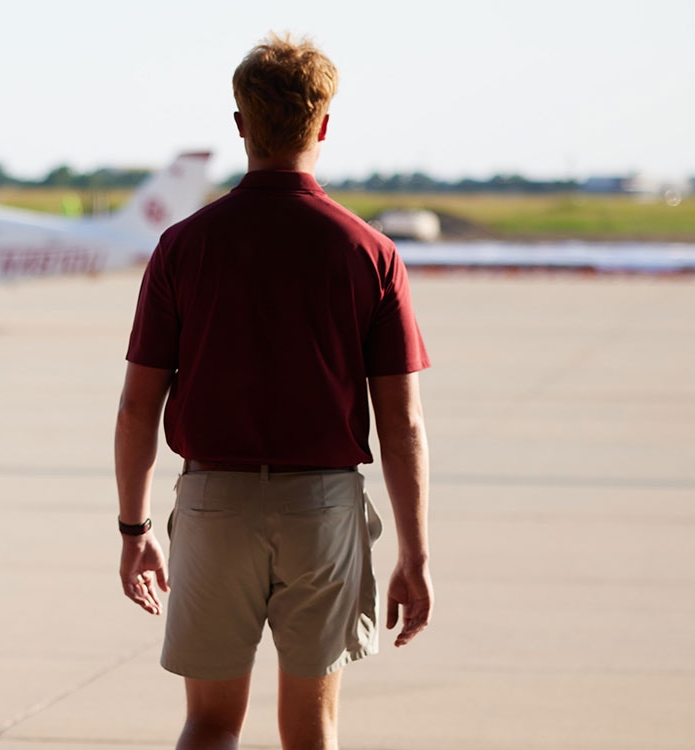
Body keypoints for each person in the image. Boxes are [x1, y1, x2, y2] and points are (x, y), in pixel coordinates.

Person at [112, 33, 434, 750]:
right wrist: (414, 554)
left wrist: (134, 529)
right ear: (322, 125)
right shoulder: (369, 252)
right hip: (321, 506)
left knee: (209, 723)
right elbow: (402, 424)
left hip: (214, 501)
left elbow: (139, 405)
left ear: (240, 125)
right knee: (311, 727)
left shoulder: (185, 246)